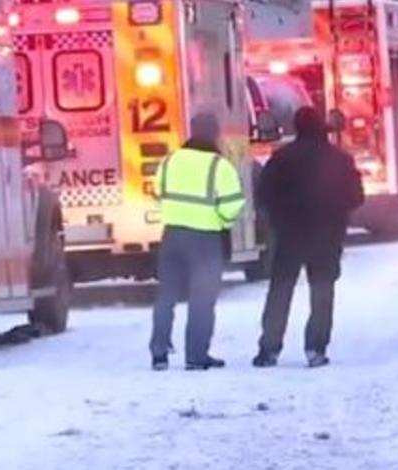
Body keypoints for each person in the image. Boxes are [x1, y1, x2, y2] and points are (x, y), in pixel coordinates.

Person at [254, 107, 364, 368]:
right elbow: (356, 197)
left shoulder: (281, 158)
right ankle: (316, 348)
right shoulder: (340, 159)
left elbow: (264, 194)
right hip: (327, 234)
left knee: (280, 291)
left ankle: (269, 349)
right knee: (322, 291)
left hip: (289, 233)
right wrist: (336, 212)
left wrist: (279, 216)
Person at [149, 112, 245, 371]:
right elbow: (232, 206)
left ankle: (159, 353)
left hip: (171, 235)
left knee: (166, 296)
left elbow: (158, 192)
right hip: (204, 239)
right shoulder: (219, 166)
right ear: (214, 133)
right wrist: (221, 222)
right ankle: (196, 355)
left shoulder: (170, 161)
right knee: (201, 299)